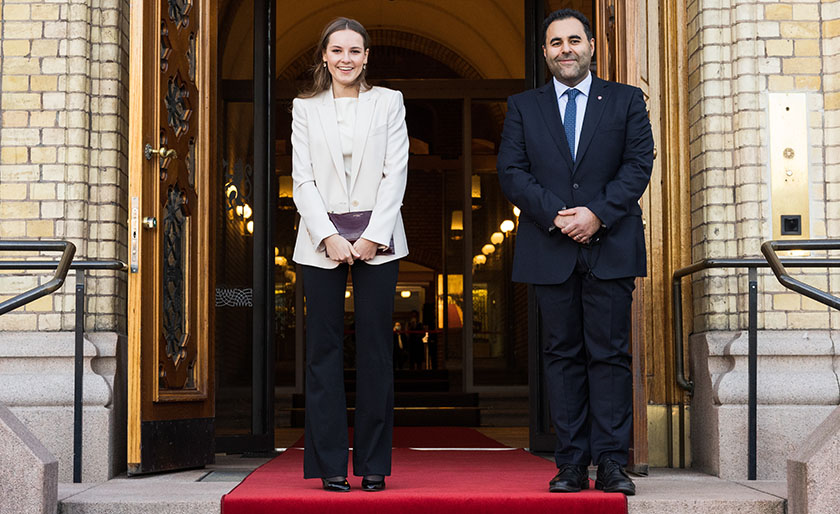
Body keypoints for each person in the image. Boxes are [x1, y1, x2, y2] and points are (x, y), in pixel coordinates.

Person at [496, 9, 654, 496]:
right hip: (550, 245)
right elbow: (512, 171)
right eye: (555, 42)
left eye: (574, 40)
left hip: (611, 245)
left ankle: (609, 462)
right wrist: (561, 214)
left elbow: (638, 163)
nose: (566, 48)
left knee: (609, 355)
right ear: (545, 52)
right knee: (561, 356)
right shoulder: (524, 106)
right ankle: (569, 463)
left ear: (591, 46)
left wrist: (597, 215)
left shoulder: (626, 100)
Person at [291, 16, 409, 492]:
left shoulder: (389, 103)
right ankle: (330, 465)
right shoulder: (304, 108)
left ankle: (375, 465)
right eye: (336, 50)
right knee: (322, 353)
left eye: (354, 51)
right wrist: (328, 236)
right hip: (320, 242)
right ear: (324, 55)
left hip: (378, 241)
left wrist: (371, 237)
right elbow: (302, 179)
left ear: (366, 57)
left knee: (377, 352)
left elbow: (395, 172)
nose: (345, 58)